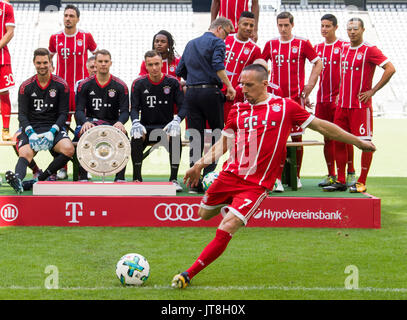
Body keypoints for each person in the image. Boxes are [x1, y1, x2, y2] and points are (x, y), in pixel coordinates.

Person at [171, 64, 376, 289]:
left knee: (228, 226)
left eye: (249, 85)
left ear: (264, 84)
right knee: (203, 215)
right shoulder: (237, 110)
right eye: (241, 84)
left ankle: (187, 274)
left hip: (256, 185)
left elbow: (322, 126)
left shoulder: (285, 107)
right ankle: (232, 205)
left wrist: (357, 141)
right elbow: (224, 143)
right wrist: (199, 165)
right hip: (229, 176)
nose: (243, 89)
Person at [323, 18, 395, 193]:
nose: (352, 32)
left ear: (362, 30)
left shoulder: (370, 50)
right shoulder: (344, 49)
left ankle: (361, 181)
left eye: (355, 29)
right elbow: (344, 75)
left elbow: (390, 68)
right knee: (339, 140)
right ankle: (341, 180)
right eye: (349, 29)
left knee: (365, 143)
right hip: (342, 106)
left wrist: (373, 91)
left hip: (360, 107)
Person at [262, 11, 322, 189]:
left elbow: (318, 63)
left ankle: (296, 176)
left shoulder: (302, 43)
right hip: (275, 102)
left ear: (292, 25)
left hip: (296, 100)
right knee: (277, 139)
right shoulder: (271, 44)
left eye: (286, 25)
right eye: (280, 25)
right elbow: (260, 64)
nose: (283, 29)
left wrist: (309, 86)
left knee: (296, 139)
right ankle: (277, 178)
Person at [176, 17, 236, 193]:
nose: (225, 38)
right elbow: (218, 65)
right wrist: (229, 86)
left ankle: (194, 183)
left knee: (196, 137)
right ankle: (208, 177)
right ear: (219, 29)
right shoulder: (218, 43)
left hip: (192, 93)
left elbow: (180, 70)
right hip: (211, 92)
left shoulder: (191, 43)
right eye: (226, 33)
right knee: (218, 134)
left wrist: (195, 78)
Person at [5, 48, 74, 193]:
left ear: (50, 63)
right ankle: (17, 179)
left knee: (69, 149)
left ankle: (40, 178)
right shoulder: (26, 86)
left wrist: (52, 131)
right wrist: (30, 133)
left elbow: (63, 113)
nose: (42, 66)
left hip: (53, 127)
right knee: (24, 153)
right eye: (38, 63)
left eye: (45, 63)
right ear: (34, 63)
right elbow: (22, 115)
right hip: (32, 127)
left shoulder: (61, 85)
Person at [49, 4, 98, 180]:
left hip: (81, 91)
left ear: (77, 18)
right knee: (61, 129)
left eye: (71, 15)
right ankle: (62, 168)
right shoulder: (55, 38)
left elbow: (97, 56)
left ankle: (86, 166)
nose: (68, 18)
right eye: (66, 15)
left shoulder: (86, 37)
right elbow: (48, 58)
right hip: (62, 92)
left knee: (85, 128)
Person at [130, 50, 186, 191]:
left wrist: (176, 120)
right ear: (146, 66)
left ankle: (173, 179)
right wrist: (135, 122)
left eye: (156, 64)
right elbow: (134, 108)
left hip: (165, 127)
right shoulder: (138, 84)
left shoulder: (172, 82)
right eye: (150, 65)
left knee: (175, 134)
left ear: (162, 64)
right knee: (136, 135)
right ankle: (137, 178)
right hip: (145, 127)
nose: (154, 67)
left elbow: (184, 106)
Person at [74, 49, 129, 182]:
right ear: (95, 64)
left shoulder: (120, 86)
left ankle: (120, 177)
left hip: (112, 124)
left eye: (106, 61)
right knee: (81, 134)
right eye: (100, 61)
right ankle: (83, 176)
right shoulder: (84, 85)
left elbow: (125, 111)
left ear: (111, 63)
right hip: (92, 123)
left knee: (124, 136)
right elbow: (79, 110)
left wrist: (121, 122)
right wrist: (84, 122)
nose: (103, 64)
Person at [314, 14, 356, 188]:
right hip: (322, 99)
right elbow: (315, 73)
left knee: (344, 137)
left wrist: (344, 93)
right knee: (327, 138)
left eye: (328, 26)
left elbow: (349, 73)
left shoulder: (344, 47)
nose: (324, 29)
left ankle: (351, 172)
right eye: (322, 26)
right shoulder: (317, 48)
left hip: (338, 100)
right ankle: (332, 174)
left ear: (336, 28)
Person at [222, 11, 261, 121]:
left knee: (236, 131)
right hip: (217, 93)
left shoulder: (255, 49)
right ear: (238, 25)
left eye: (251, 25)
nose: (248, 28)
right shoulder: (225, 39)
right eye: (245, 24)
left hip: (236, 97)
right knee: (213, 131)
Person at [0, 0, 15, 141]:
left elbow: (10, 32)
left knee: (4, 93)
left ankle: (5, 130)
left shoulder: (6, 7)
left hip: (2, 58)